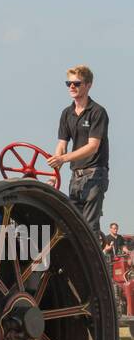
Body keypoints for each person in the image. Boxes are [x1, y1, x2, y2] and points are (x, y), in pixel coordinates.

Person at [47, 65, 109, 237]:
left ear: (88, 85)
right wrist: (54, 173)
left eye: (76, 83)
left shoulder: (97, 112)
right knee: (73, 224)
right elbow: (61, 145)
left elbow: (92, 146)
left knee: (88, 227)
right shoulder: (67, 114)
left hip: (95, 173)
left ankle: (94, 262)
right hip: (76, 175)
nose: (72, 87)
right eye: (69, 83)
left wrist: (63, 159)